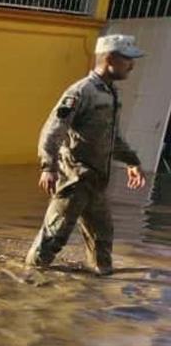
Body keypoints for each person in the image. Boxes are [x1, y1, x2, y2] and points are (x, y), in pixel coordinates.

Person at [26, 34, 149, 276]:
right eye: (128, 59)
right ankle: (27, 280)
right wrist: (48, 167)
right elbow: (53, 130)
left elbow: (113, 138)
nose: (132, 65)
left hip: (97, 181)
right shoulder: (81, 92)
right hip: (75, 179)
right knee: (53, 238)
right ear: (110, 58)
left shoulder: (111, 93)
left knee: (103, 238)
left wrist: (132, 162)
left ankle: (99, 284)